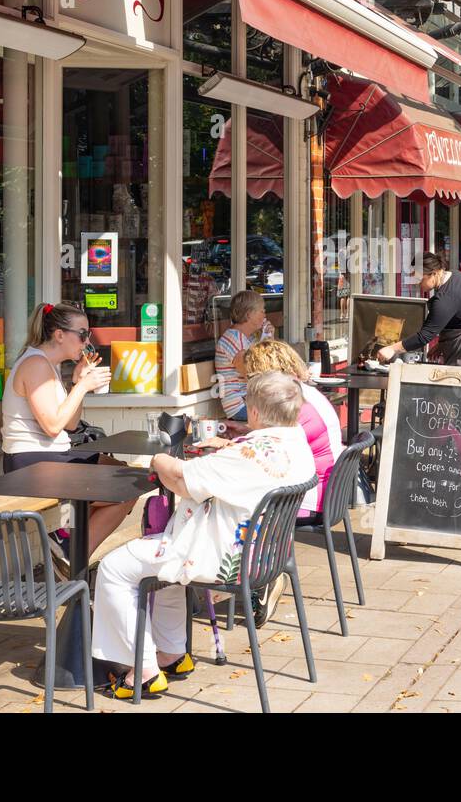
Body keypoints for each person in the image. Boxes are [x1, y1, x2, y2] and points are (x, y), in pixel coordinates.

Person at [91, 372, 315, 700]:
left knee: (113, 567)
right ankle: (171, 653)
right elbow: (249, 465)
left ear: (254, 411)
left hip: (223, 556)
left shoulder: (245, 456)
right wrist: (235, 443)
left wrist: (157, 457)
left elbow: (181, 481)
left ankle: (141, 670)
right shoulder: (296, 443)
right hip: (265, 555)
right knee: (161, 570)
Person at [1, 302, 134, 562]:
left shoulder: (48, 365)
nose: (87, 341)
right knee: (126, 488)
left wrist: (76, 382)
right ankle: (72, 558)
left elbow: (70, 425)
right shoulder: (36, 365)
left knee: (127, 474)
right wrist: (82, 387)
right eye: (82, 334)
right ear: (59, 335)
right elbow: (52, 427)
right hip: (31, 463)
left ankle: (66, 537)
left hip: (50, 457)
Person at [238, 339, 343, 518]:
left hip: (308, 499)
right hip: (328, 492)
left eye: (250, 377)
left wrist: (230, 444)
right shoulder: (301, 393)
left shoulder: (288, 403)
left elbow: (271, 452)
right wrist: (244, 432)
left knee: (232, 501)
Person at [376, 252, 461, 368]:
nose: (417, 284)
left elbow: (424, 336)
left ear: (434, 273)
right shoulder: (455, 275)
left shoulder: (444, 298)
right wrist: (441, 345)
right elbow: (458, 315)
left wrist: (392, 349)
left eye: (420, 279)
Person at [214, 289, 273, 421]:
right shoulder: (233, 339)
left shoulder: (248, 339)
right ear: (248, 315)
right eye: (262, 311)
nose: (265, 315)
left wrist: (268, 341)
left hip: (250, 402)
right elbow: (251, 375)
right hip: (239, 405)